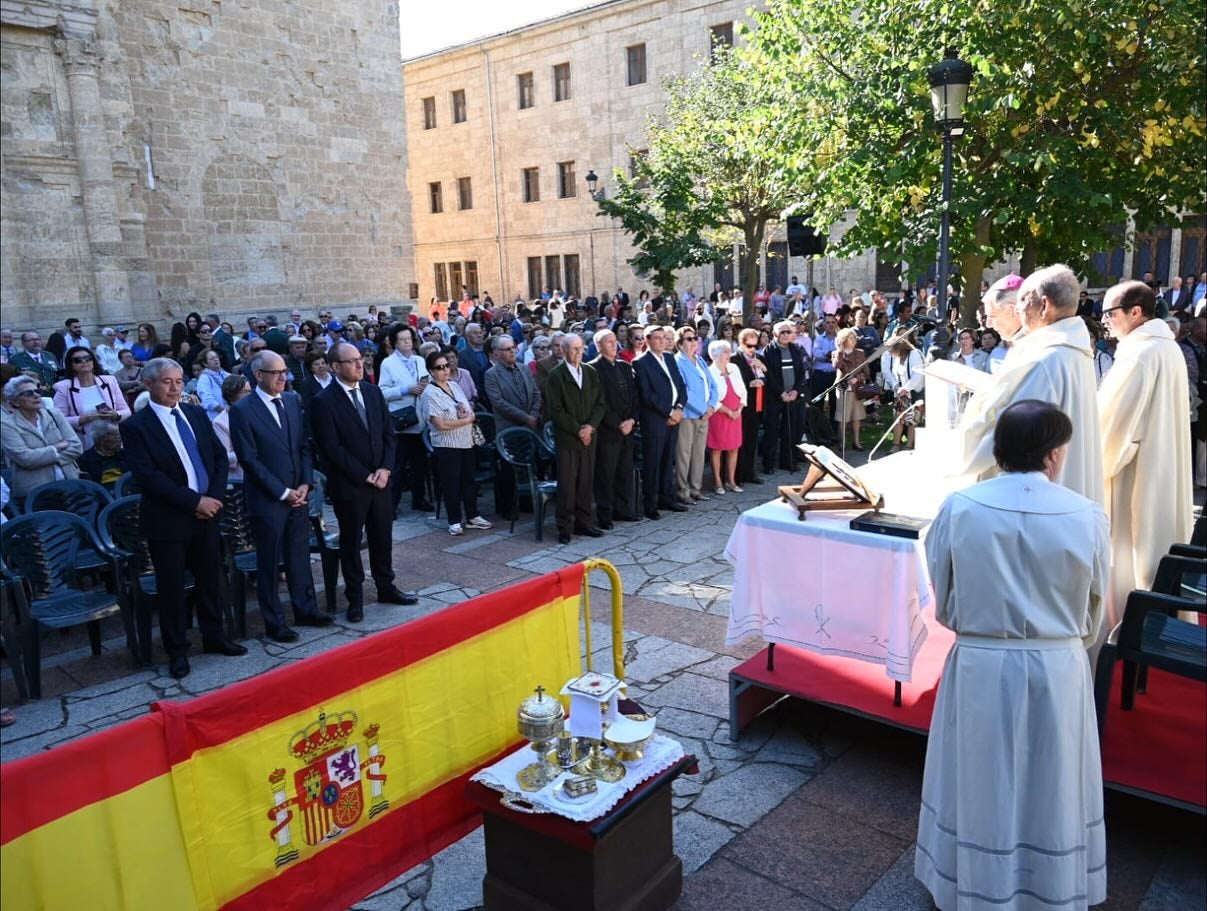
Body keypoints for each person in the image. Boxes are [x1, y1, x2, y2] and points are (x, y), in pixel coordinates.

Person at [917, 400, 1108, 911]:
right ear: (1052, 455)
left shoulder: (961, 505)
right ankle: (1049, 886)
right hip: (1057, 663)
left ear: (999, 449)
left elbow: (944, 592)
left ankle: (971, 882)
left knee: (980, 776)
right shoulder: (1087, 514)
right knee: (1053, 779)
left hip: (981, 661)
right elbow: (1095, 609)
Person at [119, 358, 247, 679]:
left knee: (210, 579)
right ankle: (177, 650)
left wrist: (213, 497)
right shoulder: (136, 426)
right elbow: (148, 477)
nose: (175, 387)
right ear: (148, 385)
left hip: (208, 512)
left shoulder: (194, 413)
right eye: (167, 381)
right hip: (169, 519)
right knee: (173, 588)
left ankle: (214, 636)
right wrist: (195, 502)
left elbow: (218, 457)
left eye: (179, 380)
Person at [956, 264, 1105, 505]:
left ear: (1044, 305)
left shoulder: (1043, 360)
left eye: (1023, 302)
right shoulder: (1074, 349)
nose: (1019, 311)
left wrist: (960, 459)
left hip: (1038, 496)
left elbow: (1010, 433)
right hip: (1069, 489)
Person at [1097, 280, 1194, 631]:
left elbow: (1110, 429)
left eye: (1110, 313)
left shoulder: (1140, 354)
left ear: (1135, 312)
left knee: (1129, 557)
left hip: (1136, 476)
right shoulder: (1166, 349)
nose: (1104, 320)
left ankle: (1128, 628)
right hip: (1162, 467)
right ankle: (1153, 622)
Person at [309, 343, 417, 622]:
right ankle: (354, 597)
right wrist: (363, 475)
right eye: (352, 361)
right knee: (351, 542)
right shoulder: (323, 401)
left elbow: (388, 434)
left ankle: (385, 586)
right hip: (350, 485)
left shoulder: (372, 392)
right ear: (335, 367)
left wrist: (385, 469)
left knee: (382, 537)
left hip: (380, 481)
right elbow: (330, 448)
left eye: (360, 359)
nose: (360, 365)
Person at [230, 351, 333, 642]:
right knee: (270, 561)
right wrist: (282, 492)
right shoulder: (242, 410)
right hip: (268, 500)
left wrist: (304, 484)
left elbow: (303, 446)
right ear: (258, 375)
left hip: (297, 495)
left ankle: (306, 609)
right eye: (275, 372)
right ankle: (274, 621)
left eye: (284, 371)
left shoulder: (291, 400)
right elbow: (249, 459)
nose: (282, 377)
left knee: (298, 554)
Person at [418, 349, 492, 536]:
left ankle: (473, 516)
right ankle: (454, 520)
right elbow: (439, 424)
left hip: (466, 441)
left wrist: (467, 415)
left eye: (447, 366)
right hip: (446, 444)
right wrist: (465, 420)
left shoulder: (454, 386)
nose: (445, 370)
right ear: (431, 371)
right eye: (439, 367)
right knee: (451, 483)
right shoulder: (429, 393)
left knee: (469, 480)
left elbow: (468, 408)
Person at [544, 334, 605, 544]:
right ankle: (564, 526)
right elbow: (556, 410)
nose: (578, 353)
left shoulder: (590, 372)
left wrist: (591, 427)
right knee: (568, 484)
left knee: (586, 482)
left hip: (589, 437)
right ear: (563, 349)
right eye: (573, 349)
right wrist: (578, 430)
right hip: (569, 439)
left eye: (580, 348)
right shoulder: (556, 375)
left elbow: (600, 403)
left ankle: (584, 523)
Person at [633, 325, 688, 519]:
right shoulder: (641, 363)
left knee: (667, 461)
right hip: (656, 420)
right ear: (647, 340)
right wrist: (669, 412)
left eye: (664, 338)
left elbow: (681, 385)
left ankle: (667, 498)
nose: (661, 341)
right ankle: (650, 504)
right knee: (653, 463)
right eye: (657, 338)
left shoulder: (670, 358)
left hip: (675, 417)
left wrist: (680, 408)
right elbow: (647, 395)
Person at [484, 335, 542, 517]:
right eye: (507, 349)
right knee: (509, 469)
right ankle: (508, 507)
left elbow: (536, 393)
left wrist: (532, 415)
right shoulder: (491, 374)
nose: (512, 351)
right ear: (497, 354)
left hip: (528, 427)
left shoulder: (524, 369)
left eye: (513, 348)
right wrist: (525, 417)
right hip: (508, 427)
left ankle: (527, 502)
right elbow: (499, 402)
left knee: (530, 463)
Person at [1, 375, 83, 502]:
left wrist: (40, 457)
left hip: (70, 484)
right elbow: (25, 458)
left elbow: (77, 447)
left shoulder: (55, 414)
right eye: (28, 393)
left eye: (37, 391)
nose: (36, 395)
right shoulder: (6, 425)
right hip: (36, 493)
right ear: (14, 401)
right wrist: (56, 448)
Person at [379, 324, 434, 514]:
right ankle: (392, 505)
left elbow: (427, 381)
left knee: (420, 464)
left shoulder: (419, 360)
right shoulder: (388, 363)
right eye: (402, 339)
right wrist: (406, 389)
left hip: (421, 418)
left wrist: (425, 386)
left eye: (409, 339)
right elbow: (382, 391)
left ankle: (419, 499)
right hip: (402, 420)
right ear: (394, 342)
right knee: (398, 466)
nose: (406, 343)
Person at [588, 329, 640, 528]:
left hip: (628, 427)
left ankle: (623, 510)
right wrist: (618, 423)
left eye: (614, 341)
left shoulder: (625, 367)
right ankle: (605, 515)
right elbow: (599, 401)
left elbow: (635, 396)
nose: (613, 344)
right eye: (608, 342)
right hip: (609, 430)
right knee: (606, 474)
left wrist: (632, 420)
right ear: (599, 346)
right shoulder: (593, 368)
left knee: (624, 471)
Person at [673, 324, 719, 503]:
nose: (694, 342)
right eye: (689, 339)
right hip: (688, 415)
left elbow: (712, 385)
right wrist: (703, 408)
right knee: (684, 453)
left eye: (695, 339)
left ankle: (696, 488)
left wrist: (711, 406)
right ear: (680, 343)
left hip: (705, 414)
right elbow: (684, 390)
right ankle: (682, 491)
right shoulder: (678, 362)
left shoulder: (699, 360)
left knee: (699, 453)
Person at [761, 321, 810, 473]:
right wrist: (781, 393)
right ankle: (768, 464)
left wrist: (795, 390)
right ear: (775, 334)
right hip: (776, 397)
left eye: (788, 332)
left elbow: (801, 372)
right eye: (782, 332)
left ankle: (788, 461)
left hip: (793, 396)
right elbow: (768, 375)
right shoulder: (768, 351)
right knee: (772, 431)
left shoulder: (795, 349)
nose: (785, 335)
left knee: (791, 430)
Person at [52, 346, 131, 431]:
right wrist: (82, 419)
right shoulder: (64, 388)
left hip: (111, 438)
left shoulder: (110, 381)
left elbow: (126, 411)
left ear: (93, 361)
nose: (84, 361)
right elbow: (59, 419)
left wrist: (116, 415)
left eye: (87, 358)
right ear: (71, 365)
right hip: (83, 439)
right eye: (77, 360)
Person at [707, 339, 745, 494]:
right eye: (725, 352)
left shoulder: (734, 368)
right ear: (715, 355)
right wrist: (728, 411)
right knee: (716, 449)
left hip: (736, 414)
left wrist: (740, 409)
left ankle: (731, 481)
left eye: (729, 351)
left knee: (734, 448)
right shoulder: (710, 371)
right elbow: (711, 396)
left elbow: (743, 390)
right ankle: (717, 482)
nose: (729, 355)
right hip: (719, 414)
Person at [733, 328, 766, 485]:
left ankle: (749, 472)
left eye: (755, 345)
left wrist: (763, 369)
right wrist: (749, 383)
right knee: (740, 440)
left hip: (756, 404)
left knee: (752, 439)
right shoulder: (734, 359)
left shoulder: (758, 358)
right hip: (741, 406)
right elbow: (732, 383)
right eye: (749, 345)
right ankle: (737, 475)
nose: (753, 349)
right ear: (741, 343)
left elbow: (768, 380)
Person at [832, 328, 868, 452]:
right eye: (851, 338)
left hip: (856, 388)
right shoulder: (836, 353)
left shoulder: (860, 353)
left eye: (854, 338)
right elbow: (836, 366)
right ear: (844, 339)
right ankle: (842, 442)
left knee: (856, 416)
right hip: (843, 389)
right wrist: (841, 351)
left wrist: (857, 378)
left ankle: (857, 442)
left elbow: (866, 372)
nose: (853, 340)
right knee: (843, 417)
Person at [211, 374, 250, 483]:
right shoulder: (219, 422)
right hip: (239, 479)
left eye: (250, 391)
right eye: (244, 392)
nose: (249, 395)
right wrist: (249, 451)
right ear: (231, 395)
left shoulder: (256, 415)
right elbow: (225, 457)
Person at [78, 421, 127, 490]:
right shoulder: (84, 460)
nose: (120, 439)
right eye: (116, 435)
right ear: (102, 439)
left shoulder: (126, 455)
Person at [194, 349, 232, 420]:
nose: (216, 360)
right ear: (205, 363)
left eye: (216, 357)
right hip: (217, 417)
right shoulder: (204, 378)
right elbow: (208, 401)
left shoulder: (226, 374)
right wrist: (225, 412)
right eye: (212, 359)